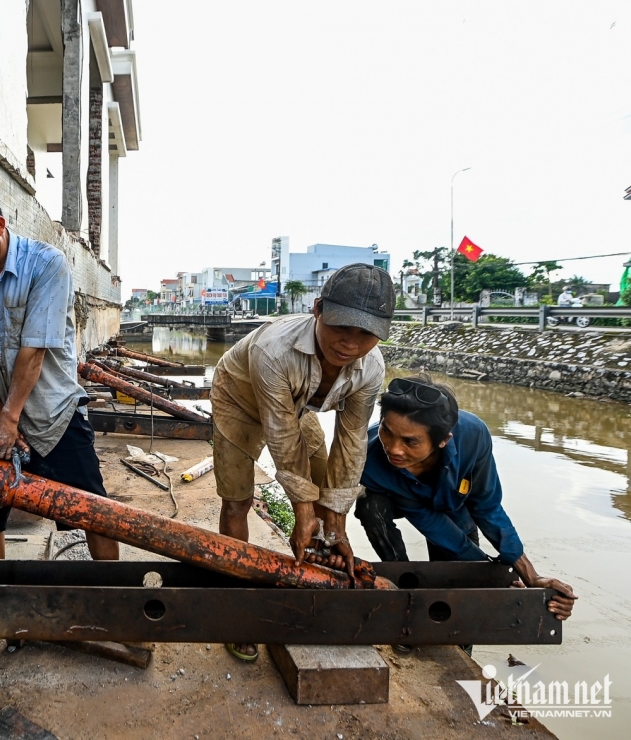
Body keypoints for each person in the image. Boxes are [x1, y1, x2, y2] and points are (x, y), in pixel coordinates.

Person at [0, 177, 119, 666]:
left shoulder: (47, 265)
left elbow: (34, 351)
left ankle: (116, 605)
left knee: (92, 508)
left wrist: (12, 419)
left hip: (54, 410)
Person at [210, 263, 394, 662]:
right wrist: (302, 510)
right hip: (239, 400)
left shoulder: (372, 367)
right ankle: (235, 603)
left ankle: (319, 582)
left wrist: (336, 520)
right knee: (237, 499)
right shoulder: (273, 350)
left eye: (366, 334)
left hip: (296, 403)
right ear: (318, 308)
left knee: (325, 480)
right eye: (341, 327)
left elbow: (351, 440)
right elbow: (281, 437)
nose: (349, 343)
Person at [354, 375, 576, 622]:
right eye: (387, 430)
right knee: (370, 505)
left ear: (443, 440)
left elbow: (486, 505)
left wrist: (523, 575)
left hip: (457, 504)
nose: (393, 449)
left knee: (462, 592)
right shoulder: (369, 457)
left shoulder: (473, 435)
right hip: (401, 502)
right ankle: (402, 582)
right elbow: (428, 521)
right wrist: (493, 577)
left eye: (410, 441)